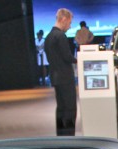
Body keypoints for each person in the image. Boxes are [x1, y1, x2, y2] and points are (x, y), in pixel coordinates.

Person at [45, 8, 77, 136]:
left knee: (61, 108)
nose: (69, 26)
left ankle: (61, 136)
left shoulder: (49, 36)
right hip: (65, 78)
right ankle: (69, 137)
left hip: (55, 77)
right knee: (69, 108)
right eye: (69, 23)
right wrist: (79, 60)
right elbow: (67, 57)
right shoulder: (60, 36)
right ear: (63, 19)